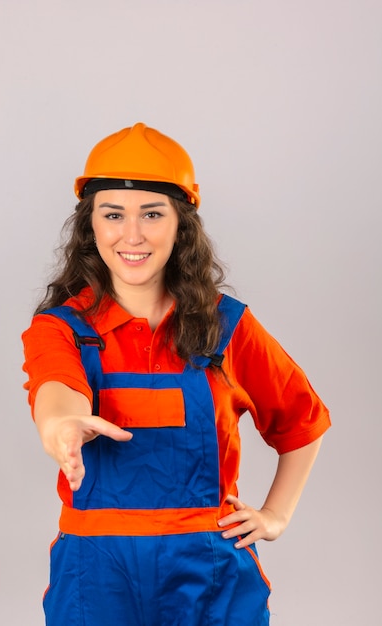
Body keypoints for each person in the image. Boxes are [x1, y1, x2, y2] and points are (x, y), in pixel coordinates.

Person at [22, 122, 331, 626]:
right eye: (114, 214)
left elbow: (302, 420)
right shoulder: (60, 329)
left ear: (180, 224)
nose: (133, 234)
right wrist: (61, 426)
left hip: (207, 571)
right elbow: (57, 390)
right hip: (96, 573)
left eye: (152, 214)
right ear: (91, 225)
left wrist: (275, 516)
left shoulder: (227, 327)